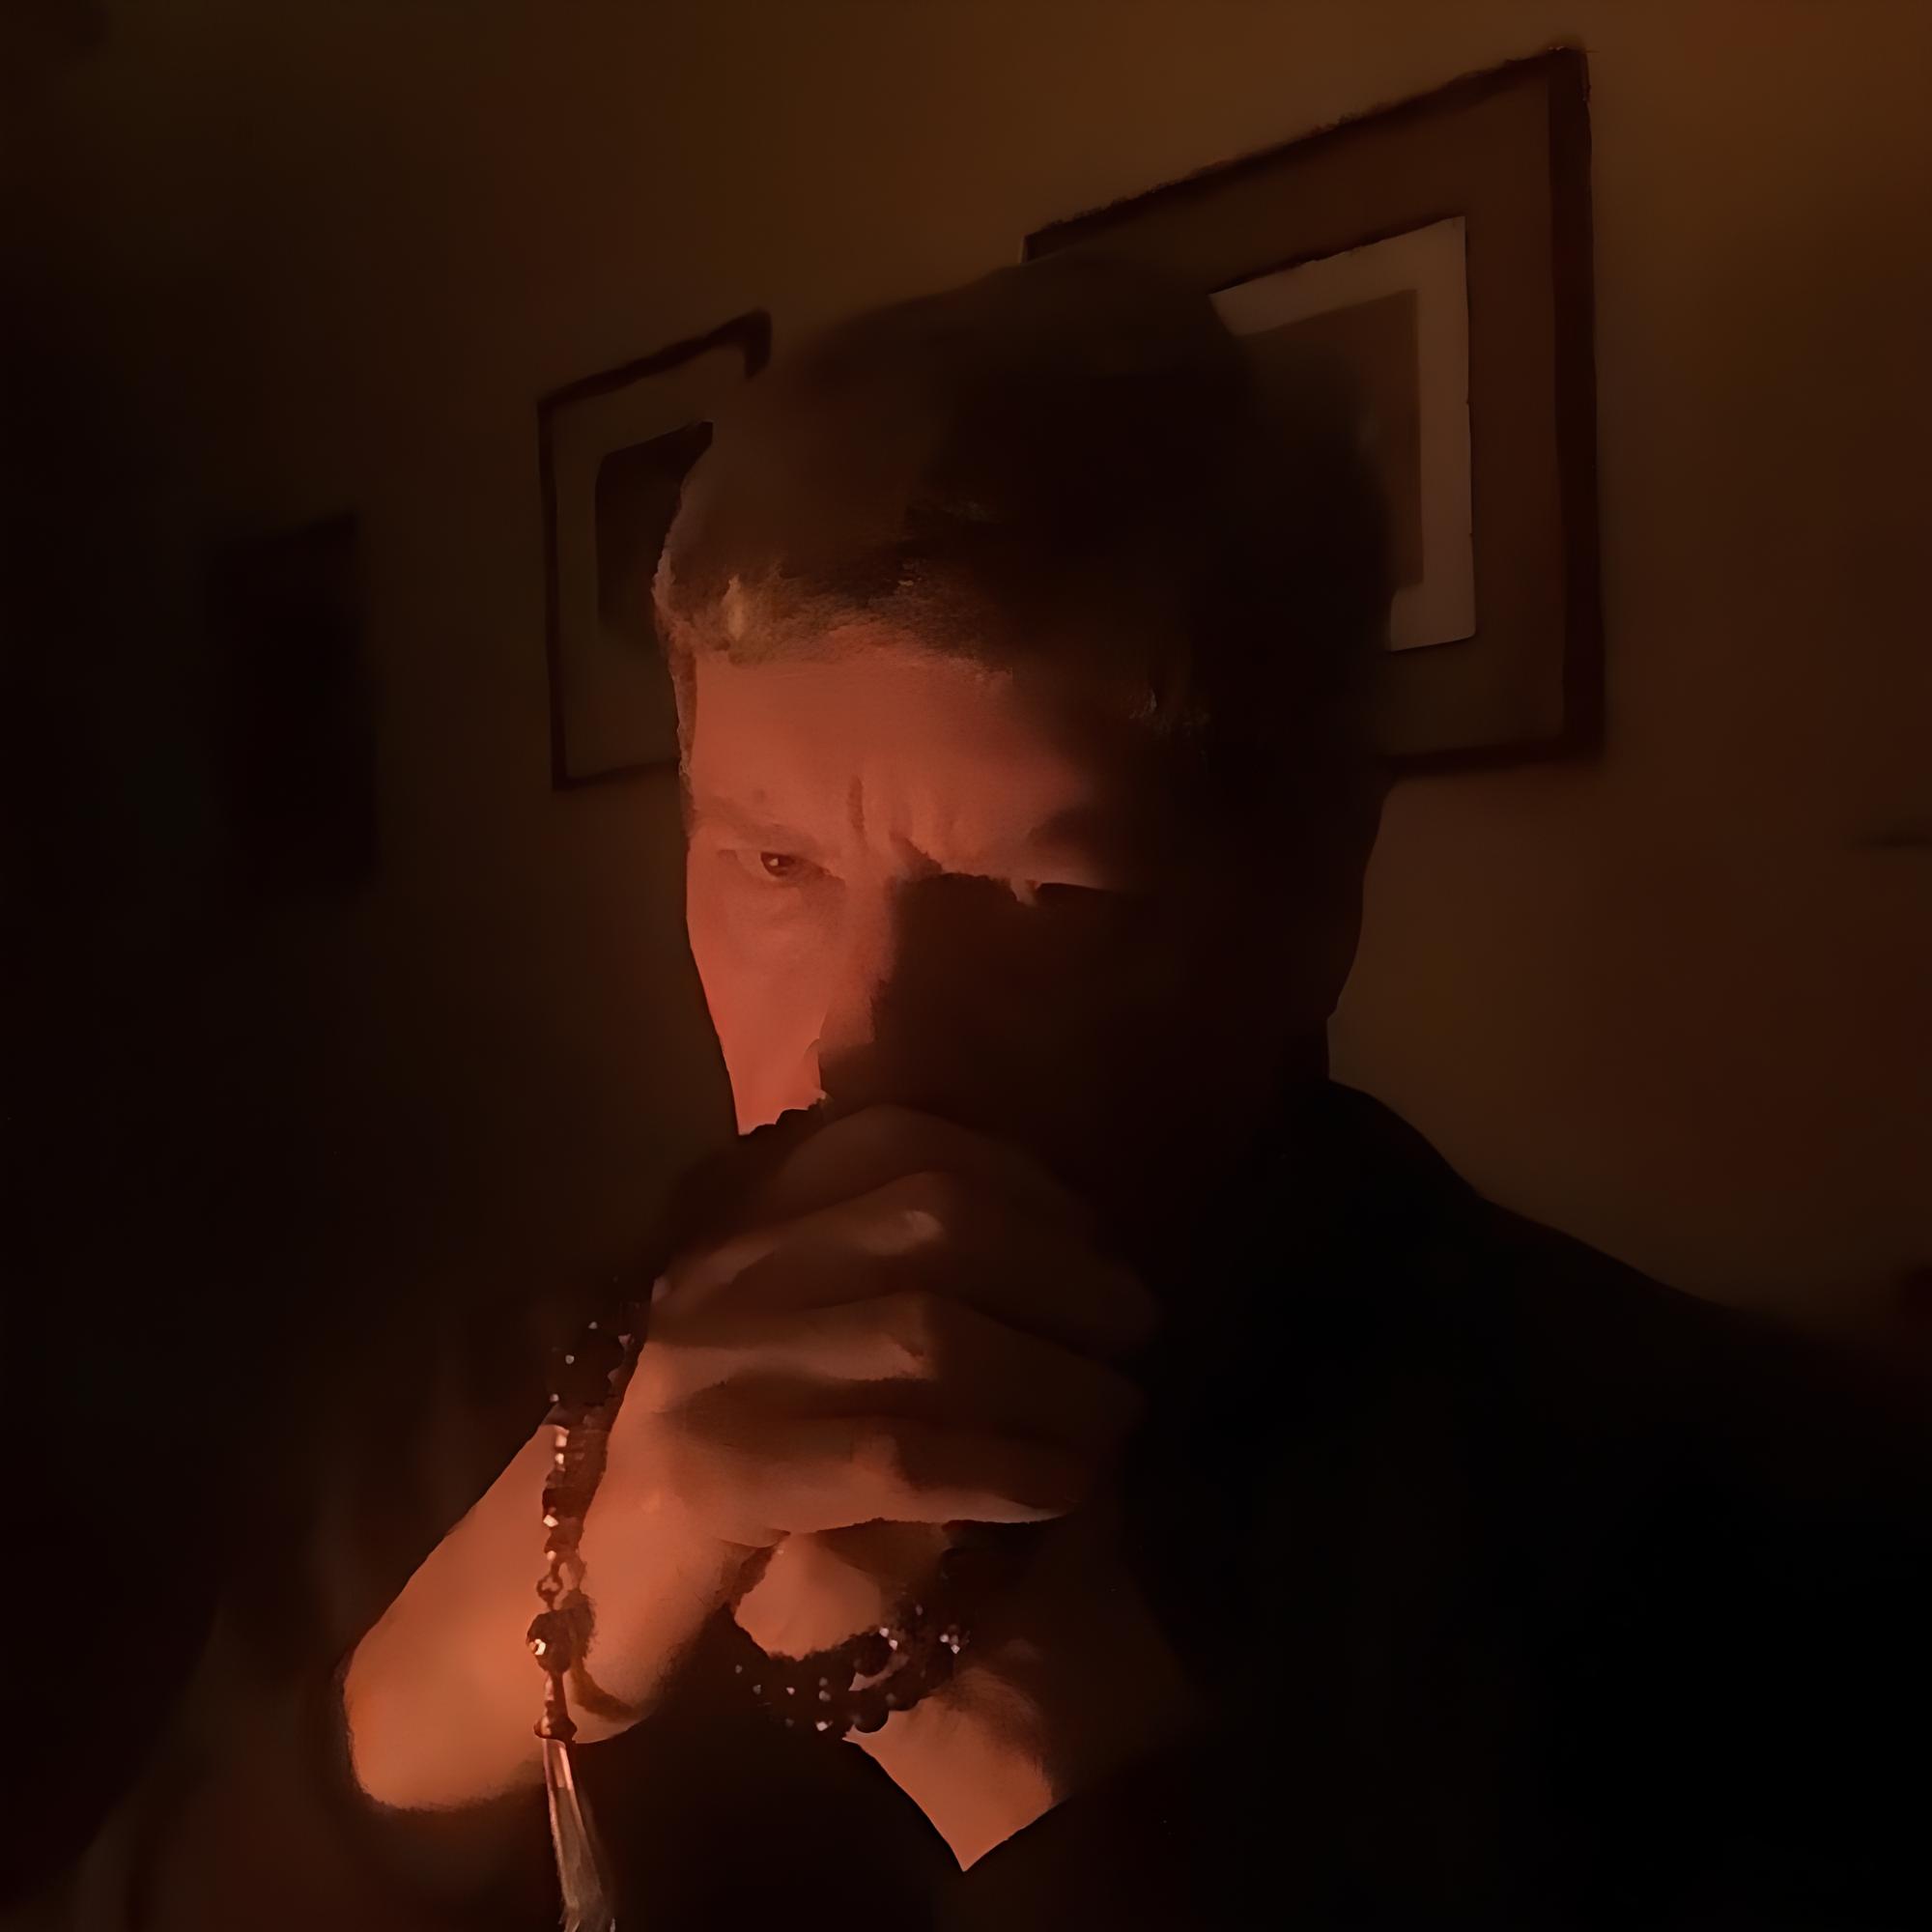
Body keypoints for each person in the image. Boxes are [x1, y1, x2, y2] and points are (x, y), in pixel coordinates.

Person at [31, 255, 1930, 1932]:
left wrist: (1046, 1751)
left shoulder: (1717, 1524)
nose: (868, 1039)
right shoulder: (496, 1402)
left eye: (1037, 896)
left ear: (1311, 894)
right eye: (772, 864)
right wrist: (491, 1652)